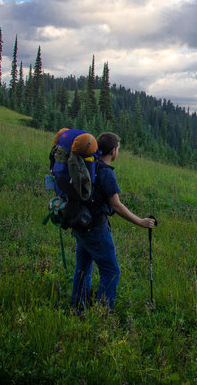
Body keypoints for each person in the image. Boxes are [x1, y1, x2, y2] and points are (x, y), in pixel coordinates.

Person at [70, 132, 156, 312]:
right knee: (111, 272)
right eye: (118, 149)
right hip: (95, 229)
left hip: (80, 223)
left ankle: (77, 309)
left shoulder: (89, 166)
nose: (118, 152)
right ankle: (102, 316)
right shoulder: (106, 173)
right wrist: (141, 221)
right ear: (112, 151)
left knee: (83, 268)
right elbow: (116, 205)